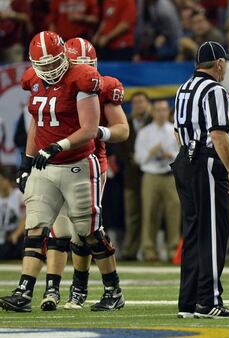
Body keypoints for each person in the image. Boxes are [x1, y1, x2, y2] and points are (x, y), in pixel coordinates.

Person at [0, 31, 123, 313]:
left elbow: (92, 130)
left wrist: (58, 146)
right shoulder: (33, 79)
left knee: (88, 233)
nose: (49, 70)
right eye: (42, 65)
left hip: (81, 161)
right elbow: (36, 123)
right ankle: (26, 290)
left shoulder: (86, 80)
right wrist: (26, 162)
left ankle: (108, 287)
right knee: (38, 227)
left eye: (54, 62)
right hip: (46, 163)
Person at [40, 37, 129, 311]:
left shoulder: (102, 87)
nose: (81, 73)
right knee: (58, 226)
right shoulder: (54, 84)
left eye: (85, 67)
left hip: (89, 162)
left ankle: (79, 288)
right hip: (59, 161)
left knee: (84, 231)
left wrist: (96, 131)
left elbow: (123, 130)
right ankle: (52, 290)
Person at [172, 41, 229, 319]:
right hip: (207, 162)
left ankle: (188, 302)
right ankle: (209, 301)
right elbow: (218, 134)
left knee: (192, 233)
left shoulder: (183, 89)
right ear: (219, 64)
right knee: (213, 232)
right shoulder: (214, 90)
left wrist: (187, 156)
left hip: (185, 161)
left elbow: (177, 131)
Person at [135, 99, 180, 261]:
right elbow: (139, 159)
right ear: (153, 112)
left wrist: (172, 155)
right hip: (151, 176)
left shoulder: (175, 131)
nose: (162, 113)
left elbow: (182, 155)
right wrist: (151, 153)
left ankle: (173, 250)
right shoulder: (144, 132)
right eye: (158, 110)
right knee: (149, 213)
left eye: (164, 110)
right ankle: (149, 250)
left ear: (168, 112)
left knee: (174, 213)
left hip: (170, 176)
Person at [115, 92, 151, 260]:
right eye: (136, 102)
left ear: (147, 104)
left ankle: (148, 250)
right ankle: (130, 250)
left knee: (150, 215)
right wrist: (131, 158)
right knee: (132, 215)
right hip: (131, 176)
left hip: (151, 173)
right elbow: (118, 147)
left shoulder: (154, 122)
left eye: (142, 102)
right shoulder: (125, 122)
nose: (139, 105)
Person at [0, 169, 25, 260]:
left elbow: (24, 218)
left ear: (8, 181)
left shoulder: (18, 195)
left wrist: (16, 234)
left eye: (2, 180)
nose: (1, 183)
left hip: (15, 234)